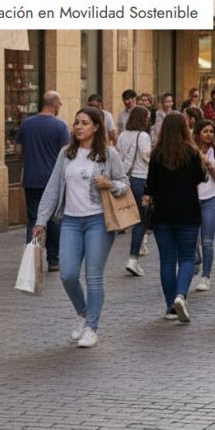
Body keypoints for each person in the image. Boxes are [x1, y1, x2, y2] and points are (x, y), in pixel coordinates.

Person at [31, 107, 129, 348]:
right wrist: (41, 220)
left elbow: (124, 184)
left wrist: (109, 184)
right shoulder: (67, 154)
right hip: (71, 222)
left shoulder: (108, 154)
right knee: (67, 273)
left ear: (96, 127)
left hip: (99, 221)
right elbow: (53, 187)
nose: (78, 127)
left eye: (84, 123)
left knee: (93, 276)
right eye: (76, 123)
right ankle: (83, 313)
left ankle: (91, 328)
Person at [143, 112, 206, 323]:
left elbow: (150, 185)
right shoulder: (192, 153)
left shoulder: (157, 154)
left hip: (162, 214)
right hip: (188, 212)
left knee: (167, 260)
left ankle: (170, 306)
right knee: (187, 258)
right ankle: (181, 295)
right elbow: (200, 178)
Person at [14, 90, 69, 272]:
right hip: (52, 181)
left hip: (32, 179)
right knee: (54, 220)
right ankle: (53, 260)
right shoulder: (60, 126)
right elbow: (67, 153)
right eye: (60, 104)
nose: (60, 107)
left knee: (33, 219)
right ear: (54, 105)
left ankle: (32, 260)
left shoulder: (27, 124)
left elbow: (17, 150)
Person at [116, 106, 152, 276]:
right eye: (147, 117)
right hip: (140, 179)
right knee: (141, 220)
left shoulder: (122, 135)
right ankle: (133, 257)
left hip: (126, 179)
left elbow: (118, 155)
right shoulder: (143, 136)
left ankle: (140, 248)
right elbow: (146, 157)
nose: (149, 120)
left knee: (135, 217)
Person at [193, 119, 215, 293]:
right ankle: (195, 260)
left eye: (211, 131)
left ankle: (206, 277)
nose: (209, 134)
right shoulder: (190, 151)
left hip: (210, 200)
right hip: (191, 200)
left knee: (207, 241)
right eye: (205, 131)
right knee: (192, 240)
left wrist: (209, 165)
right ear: (198, 132)